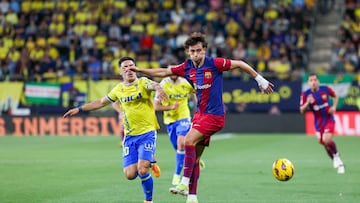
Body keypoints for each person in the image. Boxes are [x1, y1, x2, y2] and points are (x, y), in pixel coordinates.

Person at [127, 32, 274, 203]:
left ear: (204, 50)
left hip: (214, 116)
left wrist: (260, 80)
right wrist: (140, 70)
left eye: (198, 50)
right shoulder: (187, 66)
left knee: (188, 141)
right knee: (195, 158)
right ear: (189, 52)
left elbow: (240, 64)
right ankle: (192, 197)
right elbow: (163, 71)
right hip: (199, 115)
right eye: (192, 51)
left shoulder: (215, 64)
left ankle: (183, 183)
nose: (195, 54)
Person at [63, 56, 168, 203]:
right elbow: (100, 102)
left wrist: (160, 88)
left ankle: (148, 200)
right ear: (120, 71)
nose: (129, 69)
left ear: (136, 68)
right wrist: (79, 109)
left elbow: (154, 85)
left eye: (132, 66)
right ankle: (151, 160)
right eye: (125, 67)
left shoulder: (143, 82)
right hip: (130, 136)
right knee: (130, 174)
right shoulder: (118, 89)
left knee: (142, 170)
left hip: (147, 133)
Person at [153, 75, 196, 186]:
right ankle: (193, 159)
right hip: (170, 120)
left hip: (184, 117)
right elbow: (156, 106)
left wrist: (198, 106)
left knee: (181, 143)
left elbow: (196, 92)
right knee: (178, 148)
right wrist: (170, 107)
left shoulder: (185, 83)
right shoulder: (163, 85)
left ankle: (176, 176)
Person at [300, 73, 345, 174]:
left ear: (318, 81)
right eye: (311, 80)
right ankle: (335, 159)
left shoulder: (325, 89)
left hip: (328, 119)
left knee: (327, 139)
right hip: (318, 122)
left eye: (315, 80)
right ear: (308, 83)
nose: (313, 82)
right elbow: (302, 110)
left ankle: (337, 157)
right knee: (325, 144)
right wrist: (307, 103)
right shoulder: (305, 94)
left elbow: (336, 96)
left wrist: (334, 107)